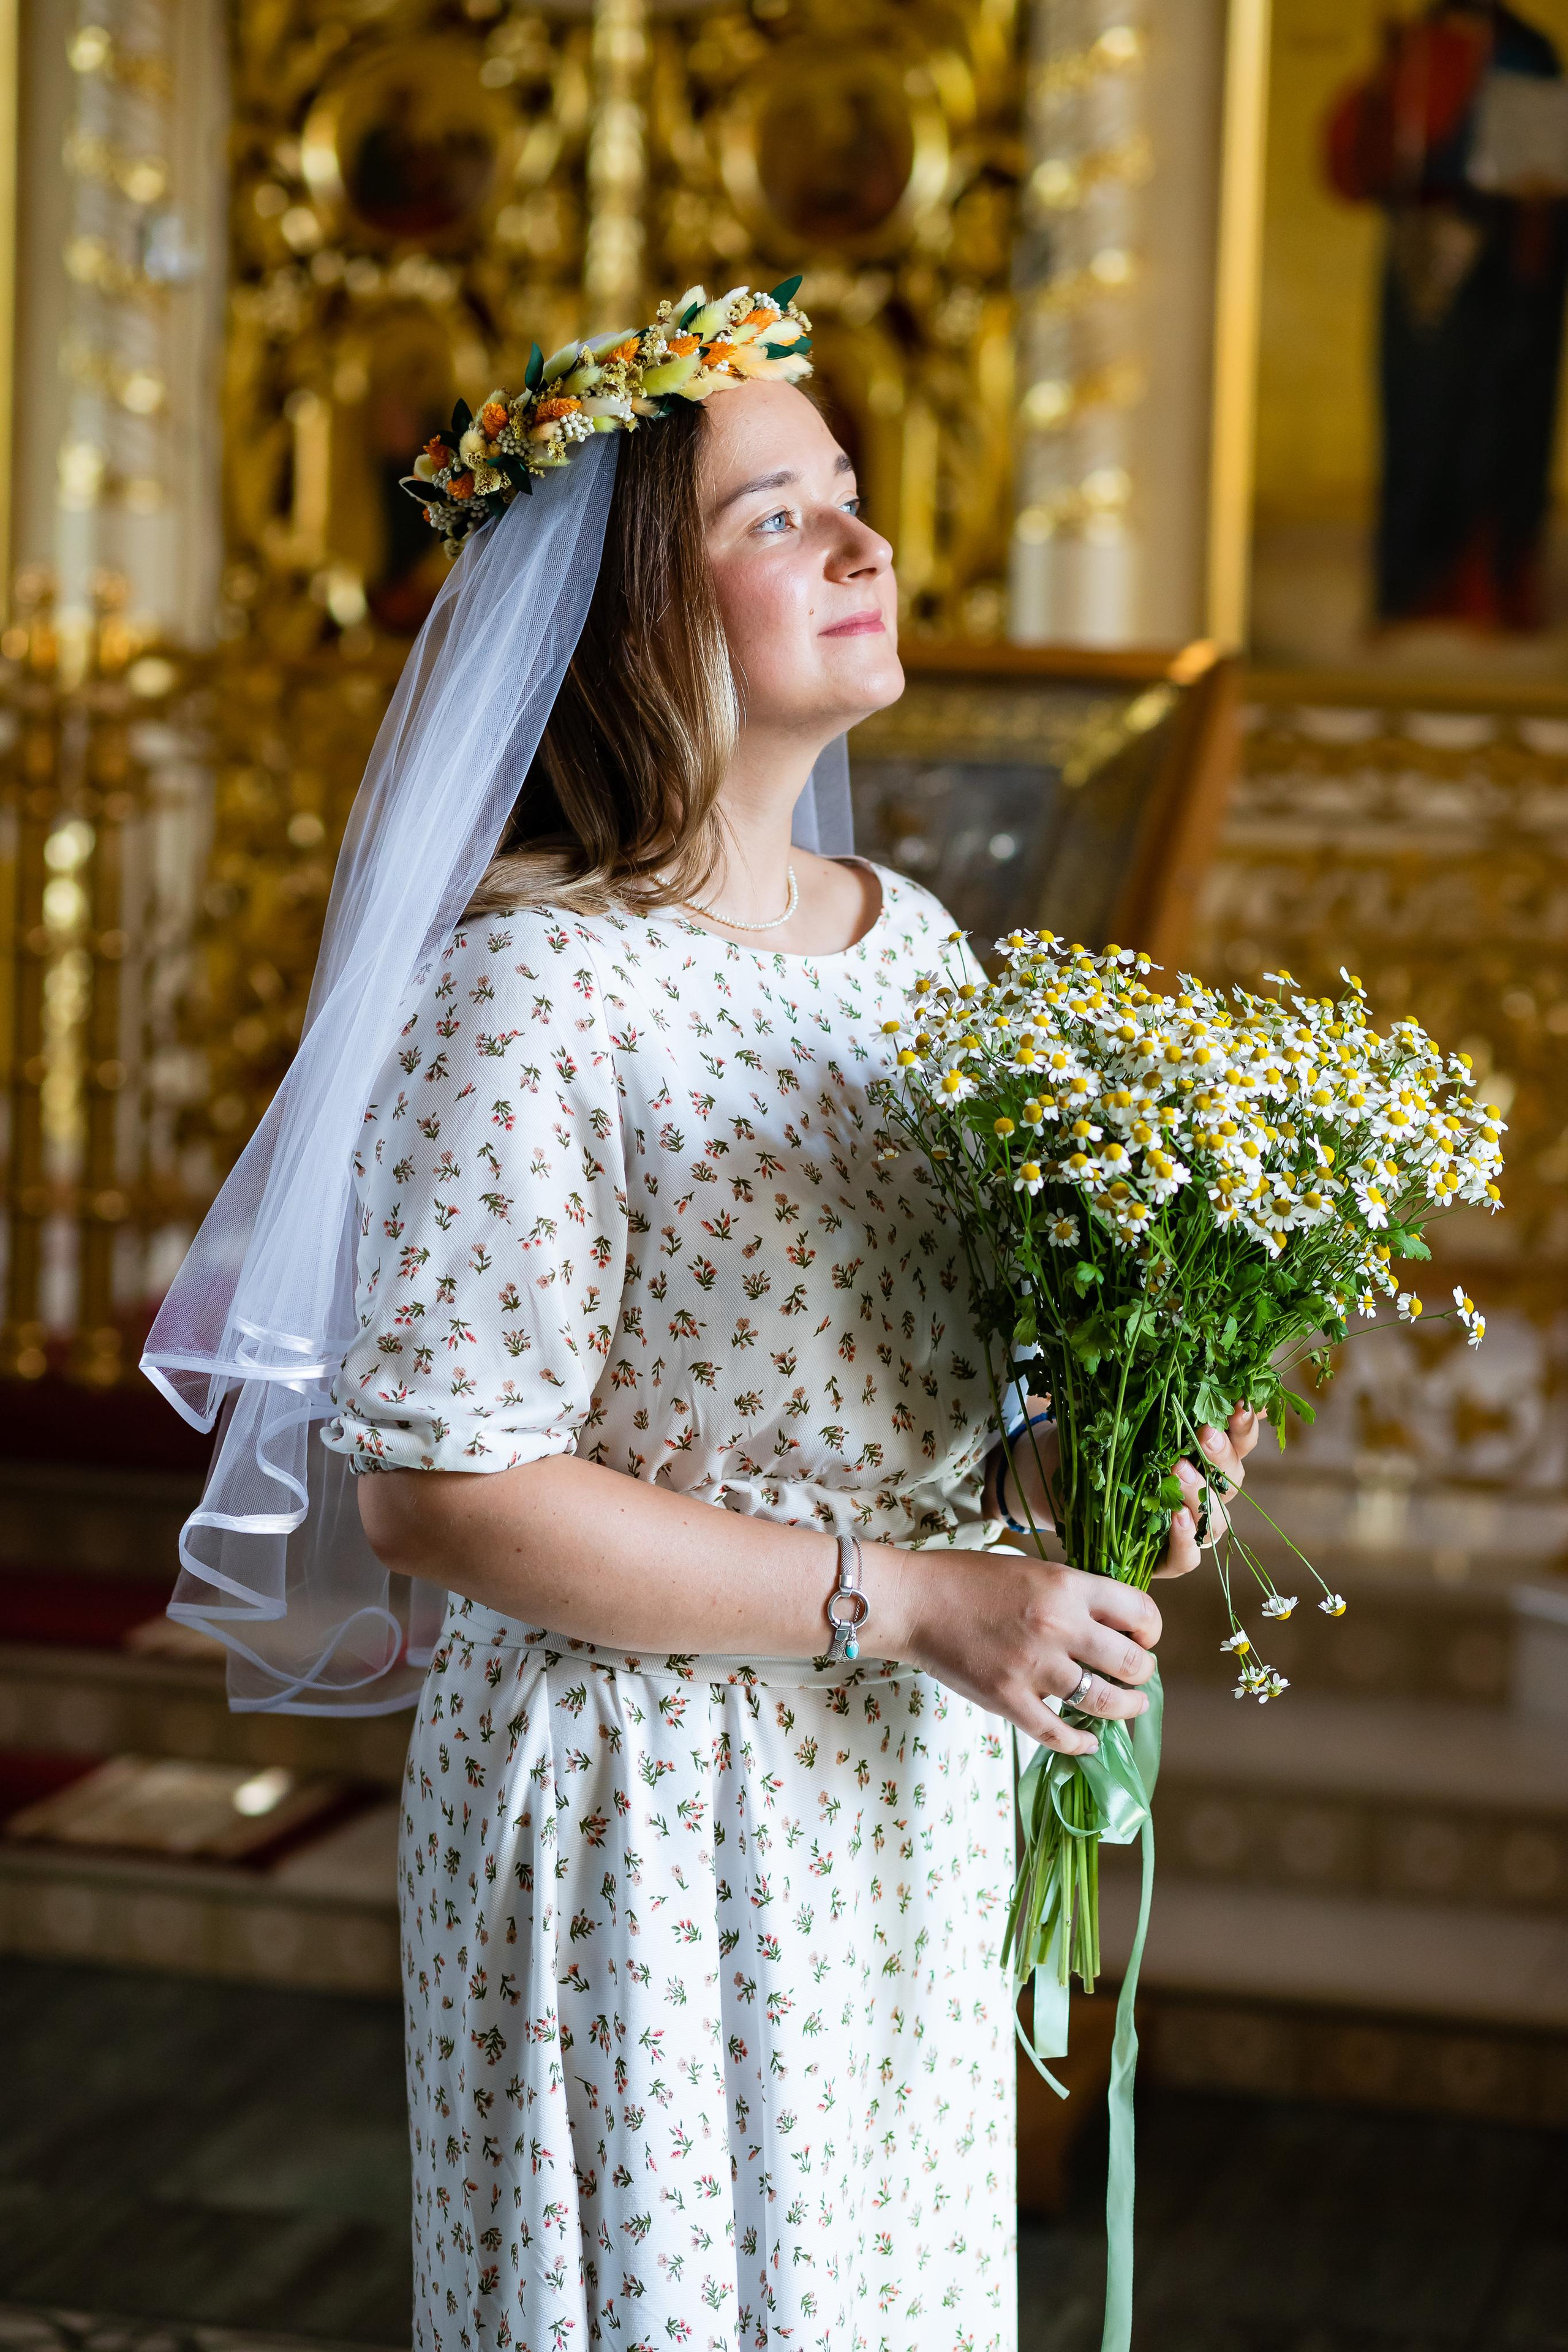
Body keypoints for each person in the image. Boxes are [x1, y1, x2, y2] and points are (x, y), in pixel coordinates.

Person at [144, 282, 1256, 2350]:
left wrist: (1094, 1478)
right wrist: (917, 1603)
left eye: (847, 496)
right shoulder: (538, 991)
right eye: (776, 519)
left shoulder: (915, 954)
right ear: (633, 616)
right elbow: (442, 1493)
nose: (864, 545)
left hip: (896, 1793)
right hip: (650, 1819)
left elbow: (931, 1419)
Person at [1325, 1, 1568, 630]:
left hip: (1510, 262)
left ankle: (1495, 592)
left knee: (1503, 424)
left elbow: (1543, 156)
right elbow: (1366, 160)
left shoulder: (1525, 49)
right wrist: (1387, 73)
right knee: (1420, 420)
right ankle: (1411, 591)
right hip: (1424, 261)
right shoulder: (1415, 44)